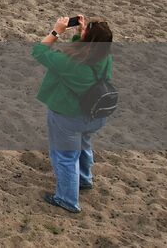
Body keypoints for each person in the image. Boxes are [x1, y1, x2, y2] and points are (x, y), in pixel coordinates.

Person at [34, 14, 114, 213]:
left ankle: (67, 200)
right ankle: (84, 179)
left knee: (65, 156)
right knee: (84, 144)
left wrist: (56, 31)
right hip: (95, 114)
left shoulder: (69, 63)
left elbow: (39, 51)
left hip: (69, 117)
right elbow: (84, 52)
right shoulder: (104, 56)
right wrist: (81, 35)